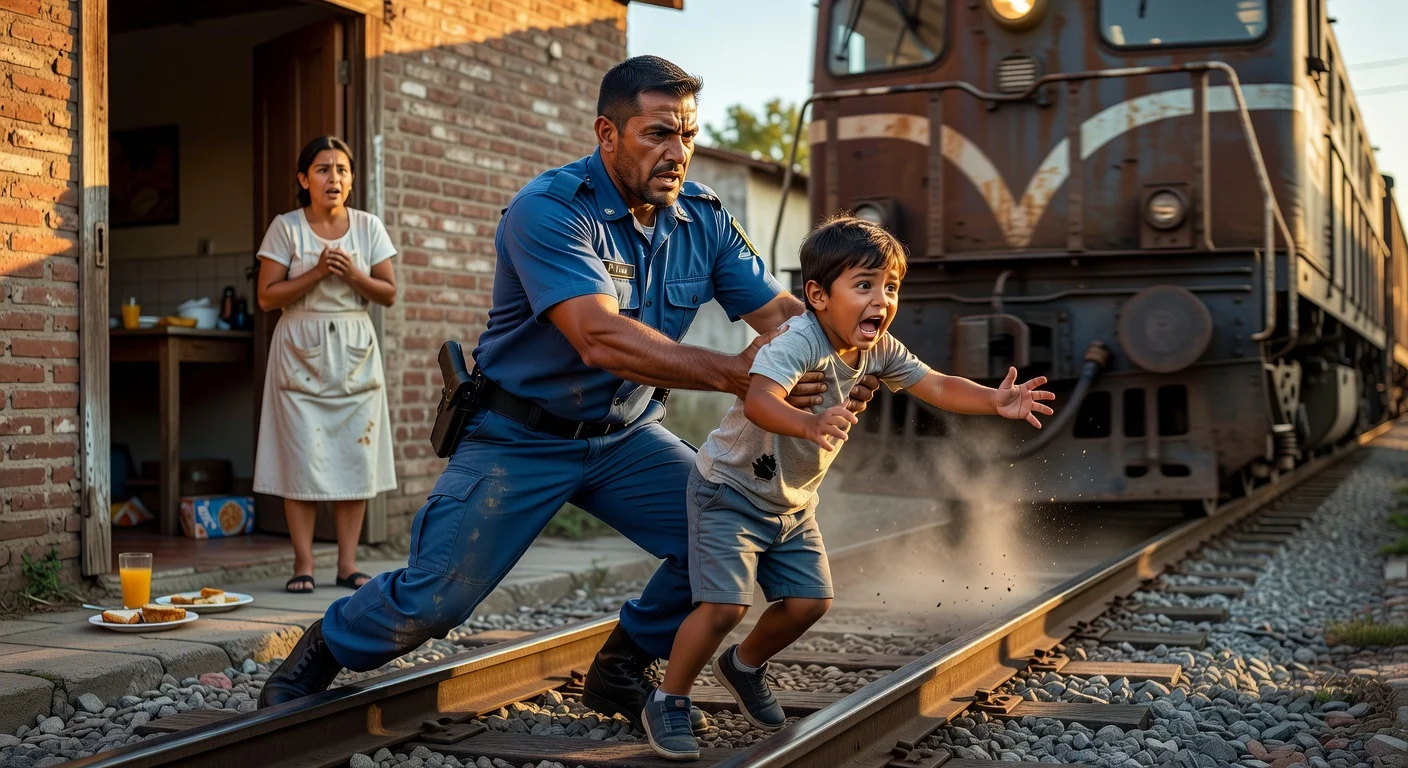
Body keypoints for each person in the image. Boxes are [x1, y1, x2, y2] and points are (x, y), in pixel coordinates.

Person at [257, 56, 880, 727]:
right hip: (518, 436)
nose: (678, 153)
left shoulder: (702, 219)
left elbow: (784, 315)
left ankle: (621, 669)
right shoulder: (550, 210)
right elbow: (598, 336)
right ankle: (326, 646)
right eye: (658, 134)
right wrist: (733, 371)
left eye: (688, 136)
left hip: (627, 437)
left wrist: (852, 351)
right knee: (433, 602)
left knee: (724, 536)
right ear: (607, 135)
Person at [640, 215, 1055, 761]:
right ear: (818, 296)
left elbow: (935, 384)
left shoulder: (879, 350)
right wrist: (808, 422)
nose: (881, 300)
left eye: (891, 287)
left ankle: (742, 666)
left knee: (810, 602)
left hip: (792, 503)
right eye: (864, 286)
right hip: (730, 489)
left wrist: (993, 401)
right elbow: (760, 401)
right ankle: (668, 699)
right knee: (723, 608)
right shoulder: (797, 341)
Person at [253, 135, 398, 595]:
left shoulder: (369, 227)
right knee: (301, 458)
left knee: (356, 457)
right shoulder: (286, 228)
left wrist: (352, 274)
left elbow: (388, 293)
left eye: (341, 169)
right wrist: (316, 272)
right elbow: (266, 297)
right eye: (322, 169)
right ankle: (304, 563)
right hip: (299, 348)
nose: (333, 177)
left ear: (351, 179)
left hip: (354, 350)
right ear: (304, 179)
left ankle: (347, 564)